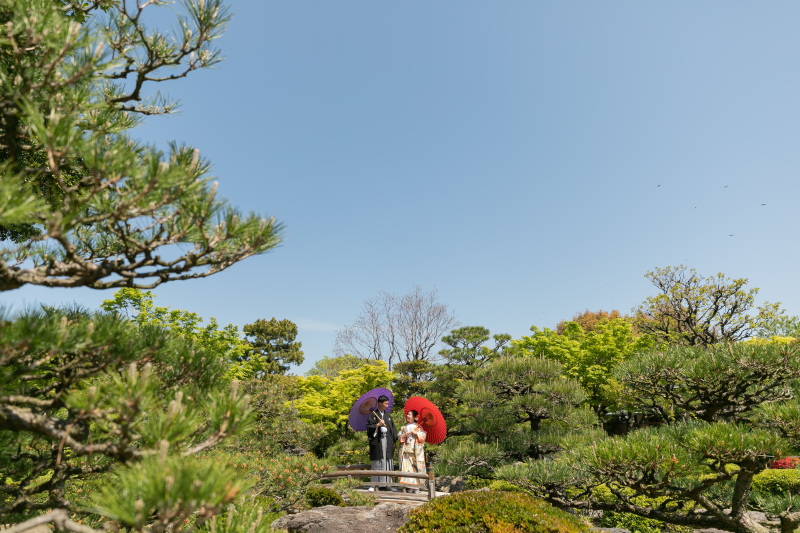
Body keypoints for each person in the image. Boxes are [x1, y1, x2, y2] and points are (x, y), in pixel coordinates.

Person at [366, 395, 398, 491]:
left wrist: (394, 440)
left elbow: (393, 429)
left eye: (388, 403)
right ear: (380, 404)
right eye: (385, 404)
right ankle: (374, 485)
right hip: (378, 442)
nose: (387, 406)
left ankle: (389, 485)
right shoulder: (373, 415)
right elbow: (368, 428)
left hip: (388, 442)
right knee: (377, 462)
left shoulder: (388, 416)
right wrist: (377, 425)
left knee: (388, 461)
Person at [398, 409, 426, 493]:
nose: (407, 416)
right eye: (407, 414)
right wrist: (404, 435)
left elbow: (423, 437)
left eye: (410, 414)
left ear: (414, 417)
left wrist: (417, 433)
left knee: (416, 467)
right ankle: (409, 486)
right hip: (406, 449)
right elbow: (399, 436)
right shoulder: (404, 427)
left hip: (415, 450)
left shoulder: (418, 427)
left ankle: (416, 486)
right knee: (407, 468)